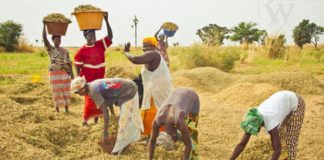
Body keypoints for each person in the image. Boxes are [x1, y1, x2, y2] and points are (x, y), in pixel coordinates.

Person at [71, 77, 143, 154]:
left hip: (128, 90)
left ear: (83, 89)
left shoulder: (93, 91)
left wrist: (105, 133)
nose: (78, 94)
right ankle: (123, 144)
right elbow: (107, 98)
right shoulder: (92, 86)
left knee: (124, 121)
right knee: (125, 119)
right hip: (128, 87)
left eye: (77, 92)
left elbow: (105, 111)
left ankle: (120, 147)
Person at [230, 91, 305, 160]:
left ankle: (290, 158)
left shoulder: (271, 124)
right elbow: (242, 144)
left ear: (258, 125)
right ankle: (284, 157)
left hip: (297, 102)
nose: (255, 132)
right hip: (282, 100)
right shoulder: (256, 115)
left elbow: (277, 150)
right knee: (280, 136)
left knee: (290, 138)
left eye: (254, 130)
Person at [122, 37, 173, 137]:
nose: (143, 48)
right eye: (143, 46)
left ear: (152, 46)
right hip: (157, 91)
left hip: (157, 92)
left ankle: (159, 135)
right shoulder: (154, 55)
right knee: (159, 112)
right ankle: (156, 134)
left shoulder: (153, 54)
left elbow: (135, 59)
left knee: (157, 112)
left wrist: (126, 52)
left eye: (145, 45)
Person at [74, 12, 113, 126]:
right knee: (89, 100)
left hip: (100, 79)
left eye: (94, 36)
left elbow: (110, 36)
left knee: (99, 100)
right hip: (89, 81)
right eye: (90, 36)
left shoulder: (100, 45)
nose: (92, 38)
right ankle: (85, 121)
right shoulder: (82, 50)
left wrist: (106, 21)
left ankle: (96, 120)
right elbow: (77, 66)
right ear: (85, 36)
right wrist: (78, 78)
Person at [148, 88, 200, 160]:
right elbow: (152, 140)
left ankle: (195, 158)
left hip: (192, 97)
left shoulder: (179, 121)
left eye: (174, 141)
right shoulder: (157, 121)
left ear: (174, 135)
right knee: (185, 135)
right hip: (176, 92)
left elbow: (189, 145)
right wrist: (150, 158)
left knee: (192, 136)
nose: (176, 142)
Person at [42, 22, 74, 113]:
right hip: (54, 74)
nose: (58, 41)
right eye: (56, 40)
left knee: (65, 91)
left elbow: (69, 63)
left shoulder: (65, 51)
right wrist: (44, 25)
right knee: (56, 92)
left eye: (59, 40)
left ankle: (67, 110)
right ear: (53, 40)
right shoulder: (51, 50)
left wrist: (72, 75)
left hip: (65, 74)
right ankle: (57, 111)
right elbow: (44, 38)